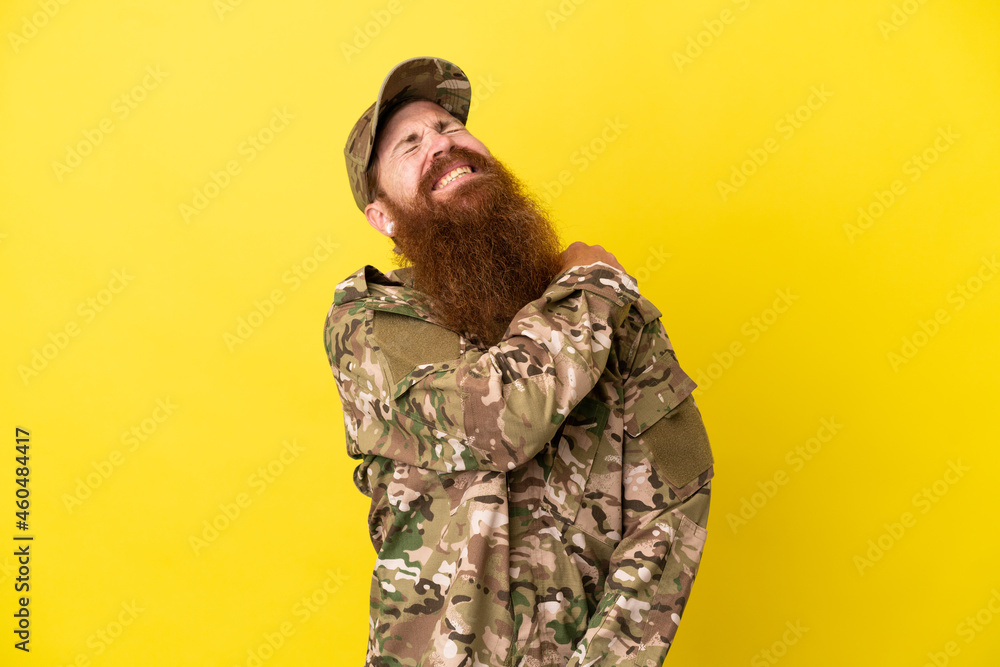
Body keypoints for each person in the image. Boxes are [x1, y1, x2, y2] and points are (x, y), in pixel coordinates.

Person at [324, 56, 715, 667]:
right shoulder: (374, 320)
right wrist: (588, 286)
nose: (442, 146)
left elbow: (676, 493)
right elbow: (500, 418)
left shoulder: (604, 310)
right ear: (384, 217)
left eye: (450, 129)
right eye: (410, 144)